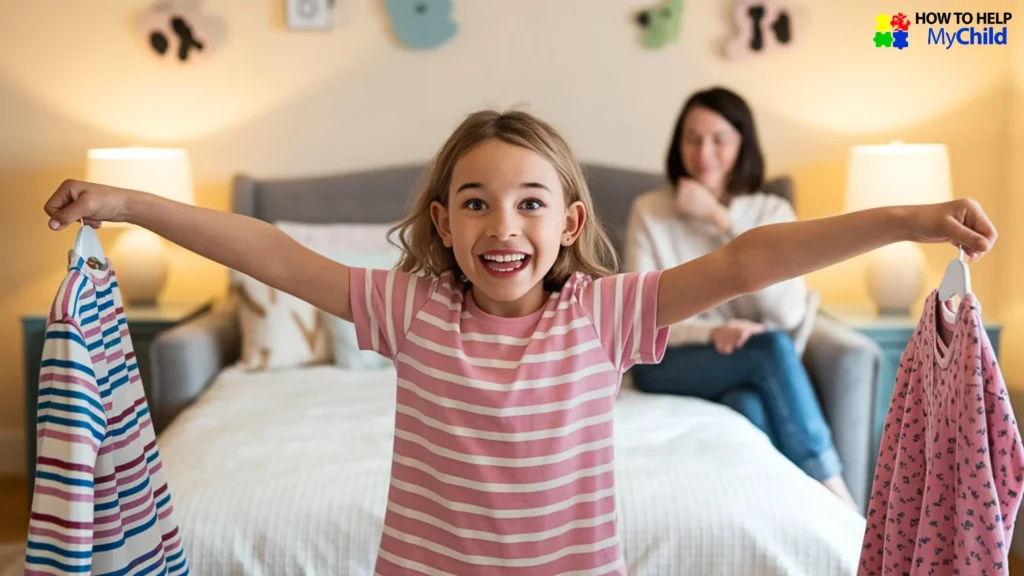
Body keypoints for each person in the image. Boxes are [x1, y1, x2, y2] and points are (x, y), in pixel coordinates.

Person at [43, 108, 996, 575]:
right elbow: (274, 254)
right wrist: (128, 204)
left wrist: (909, 220)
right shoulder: (413, 311)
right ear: (445, 225)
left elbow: (750, 260)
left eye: (530, 202)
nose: (504, 224)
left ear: (571, 222)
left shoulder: (603, 314)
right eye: (476, 203)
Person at [625, 86, 860, 507]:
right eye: (692, 139)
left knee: (748, 406)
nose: (704, 154)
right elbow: (640, 314)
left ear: (742, 146)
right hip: (665, 361)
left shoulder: (770, 212)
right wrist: (711, 334)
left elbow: (786, 312)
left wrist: (722, 222)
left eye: (719, 140)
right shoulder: (650, 210)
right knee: (768, 348)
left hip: (739, 366)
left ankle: (796, 521)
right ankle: (841, 501)